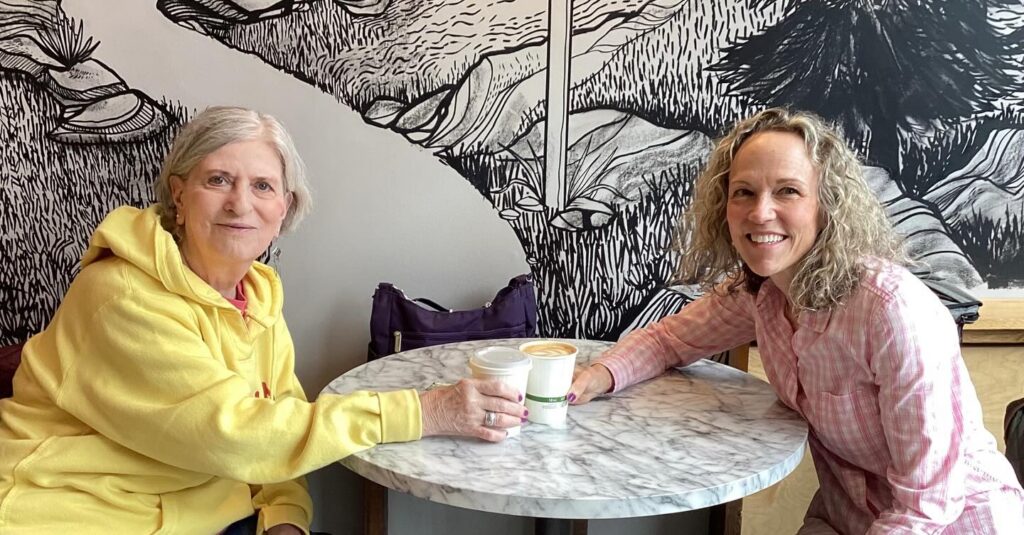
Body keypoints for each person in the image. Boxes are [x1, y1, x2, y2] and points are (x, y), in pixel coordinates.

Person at [0, 106, 527, 534]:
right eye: (219, 180)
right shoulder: (120, 294)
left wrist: (284, 518)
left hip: (205, 510)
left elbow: (279, 413)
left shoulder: (256, 296)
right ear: (179, 196)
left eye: (263, 187)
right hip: (75, 509)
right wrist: (422, 411)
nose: (239, 203)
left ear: (285, 210)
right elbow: (235, 434)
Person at [568, 108, 1024, 534]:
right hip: (846, 515)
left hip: (953, 521)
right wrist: (597, 376)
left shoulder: (892, 312)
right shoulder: (760, 291)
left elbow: (926, 503)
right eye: (744, 192)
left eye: (787, 190)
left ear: (827, 205)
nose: (760, 211)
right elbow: (668, 341)